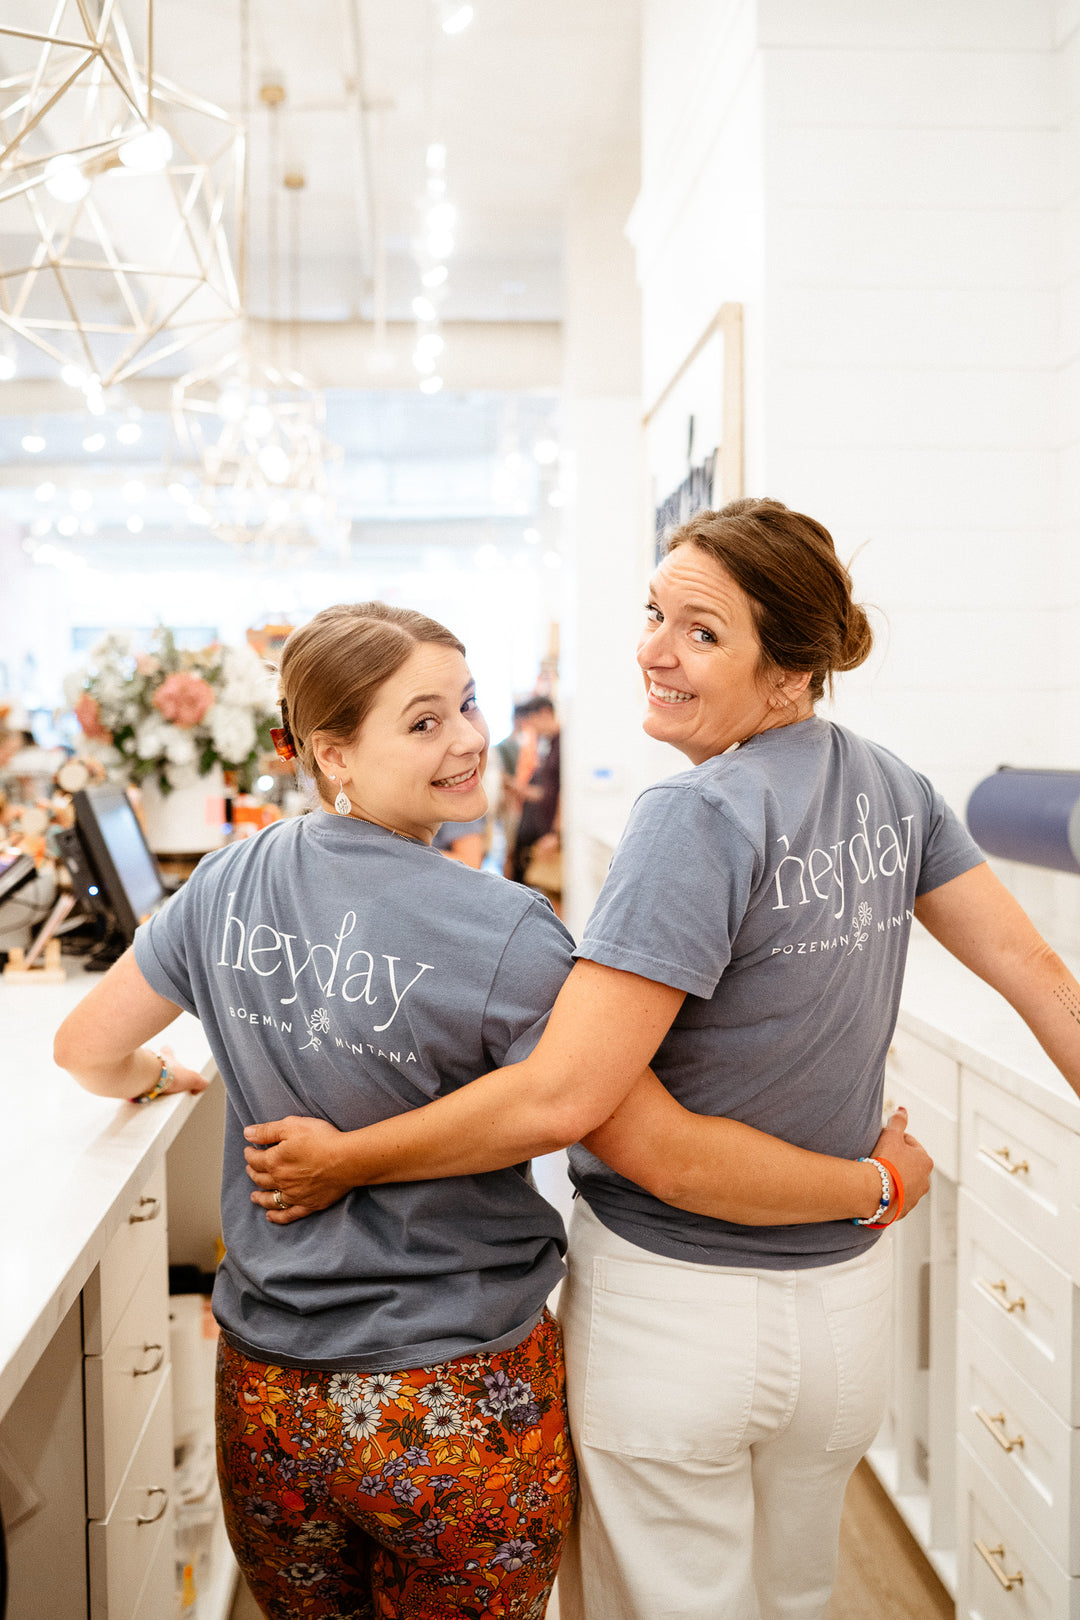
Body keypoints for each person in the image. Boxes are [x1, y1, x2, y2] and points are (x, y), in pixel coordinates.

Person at [232, 495, 1080, 1619]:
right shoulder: (890, 784)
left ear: (791, 671)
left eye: (701, 632)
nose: (653, 652)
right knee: (797, 1597)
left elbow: (578, 1101)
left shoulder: (697, 812)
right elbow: (1044, 980)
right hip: (843, 1319)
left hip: (684, 1313)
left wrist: (346, 1162)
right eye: (654, 614)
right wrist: (870, 1187)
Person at [53, 594, 931, 1620]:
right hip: (461, 1397)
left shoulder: (226, 881)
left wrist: (163, 1080)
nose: (470, 738)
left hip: (270, 1394)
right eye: (423, 722)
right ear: (332, 754)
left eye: (466, 704)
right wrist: (870, 1183)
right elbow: (645, 1139)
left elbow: (88, 1049)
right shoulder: (509, 930)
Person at [508, 698, 560, 886]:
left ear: (545, 713)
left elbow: (562, 794)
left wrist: (555, 833)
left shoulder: (564, 744)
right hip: (543, 827)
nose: (532, 729)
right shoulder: (550, 744)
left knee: (552, 884)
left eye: (533, 722)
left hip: (552, 833)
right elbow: (548, 792)